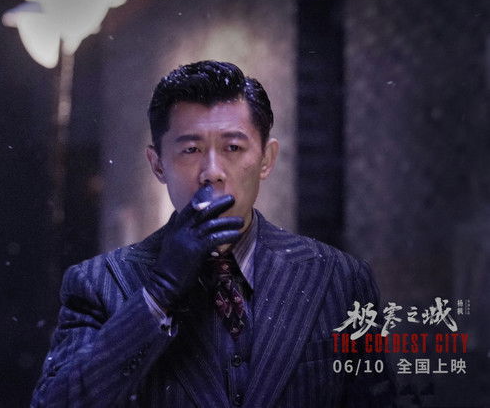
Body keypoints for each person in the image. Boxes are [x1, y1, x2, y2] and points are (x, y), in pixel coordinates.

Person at [31, 61, 395, 407]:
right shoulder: (97, 284)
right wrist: (158, 293)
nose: (212, 172)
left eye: (233, 148)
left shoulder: (340, 279)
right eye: (191, 150)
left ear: (266, 159)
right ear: (158, 164)